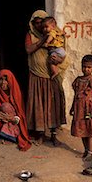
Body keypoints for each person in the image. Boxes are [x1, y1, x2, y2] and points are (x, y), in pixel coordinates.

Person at [25, 10, 70, 146]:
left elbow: (63, 50)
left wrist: (58, 60)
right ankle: (40, 134)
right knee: (38, 105)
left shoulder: (56, 33)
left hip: (51, 76)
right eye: (37, 23)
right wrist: (42, 41)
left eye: (42, 23)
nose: (40, 26)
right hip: (37, 75)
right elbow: (28, 50)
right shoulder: (31, 35)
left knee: (52, 105)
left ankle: (53, 135)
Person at [0, 69, 31, 151]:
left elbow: (20, 114)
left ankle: (9, 136)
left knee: (6, 106)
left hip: (11, 121)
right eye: (1, 79)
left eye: (6, 80)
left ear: (10, 81)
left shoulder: (16, 93)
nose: (3, 82)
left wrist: (11, 118)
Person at [70, 55, 92, 158]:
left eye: (89, 67)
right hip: (79, 109)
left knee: (89, 129)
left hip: (89, 108)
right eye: (84, 66)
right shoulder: (78, 80)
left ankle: (90, 152)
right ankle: (85, 151)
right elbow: (76, 95)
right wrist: (72, 108)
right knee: (81, 129)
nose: (86, 69)